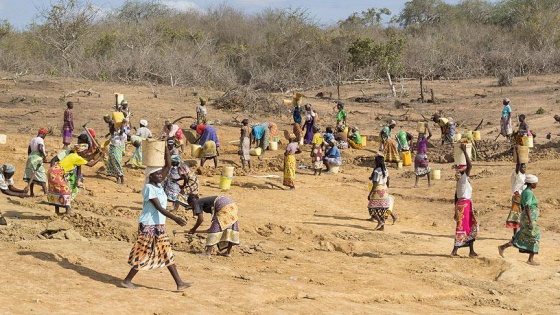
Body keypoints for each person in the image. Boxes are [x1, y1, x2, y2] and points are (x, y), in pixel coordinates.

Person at [121, 146, 192, 290]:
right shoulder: (149, 188)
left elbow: (168, 165)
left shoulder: (158, 185)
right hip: (149, 226)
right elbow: (159, 208)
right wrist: (175, 218)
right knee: (143, 252)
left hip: (158, 225)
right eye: (158, 174)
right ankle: (127, 280)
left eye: (161, 174)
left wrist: (165, 146)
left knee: (166, 252)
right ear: (150, 176)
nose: (161, 176)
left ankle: (179, 283)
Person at [47, 144, 104, 216]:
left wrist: (96, 153)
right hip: (57, 173)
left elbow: (87, 158)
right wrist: (100, 157)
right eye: (85, 152)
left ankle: (57, 212)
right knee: (65, 190)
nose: (86, 154)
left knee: (56, 190)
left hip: (52, 171)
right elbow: (90, 164)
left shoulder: (73, 155)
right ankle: (68, 211)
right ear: (80, 152)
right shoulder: (77, 158)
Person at [498, 174, 540, 266]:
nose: (536, 185)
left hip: (525, 217)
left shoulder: (525, 192)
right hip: (529, 218)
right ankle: (530, 259)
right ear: (532, 184)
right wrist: (530, 221)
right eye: (535, 183)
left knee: (521, 235)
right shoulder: (529, 193)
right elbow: (527, 206)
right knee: (535, 236)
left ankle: (503, 247)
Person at [451, 143, 478, 257]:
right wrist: (465, 151)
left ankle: (471, 251)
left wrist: (455, 209)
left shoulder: (460, 181)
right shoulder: (463, 178)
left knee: (469, 226)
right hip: (464, 206)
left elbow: (455, 196)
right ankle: (454, 251)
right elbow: (470, 165)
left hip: (463, 205)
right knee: (463, 227)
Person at [367, 154, 396, 230]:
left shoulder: (377, 171)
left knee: (371, 207)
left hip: (378, 190)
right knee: (383, 209)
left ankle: (380, 221)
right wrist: (387, 189)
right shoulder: (386, 170)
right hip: (385, 189)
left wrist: (370, 193)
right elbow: (388, 180)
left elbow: (375, 183)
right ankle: (382, 226)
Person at [505, 146, 526, 236]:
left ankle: (520, 234)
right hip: (517, 197)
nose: (524, 169)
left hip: (522, 197)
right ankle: (514, 235)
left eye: (525, 167)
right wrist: (518, 152)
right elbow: (518, 164)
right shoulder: (516, 173)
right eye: (523, 167)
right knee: (515, 216)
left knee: (522, 216)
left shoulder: (524, 175)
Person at [24, 129, 48, 196]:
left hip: (30, 158)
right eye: (45, 135)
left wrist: (31, 157)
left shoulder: (32, 139)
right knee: (42, 175)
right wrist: (44, 156)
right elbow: (40, 148)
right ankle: (46, 193)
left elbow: (29, 150)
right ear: (43, 134)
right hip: (37, 158)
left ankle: (31, 193)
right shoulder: (40, 140)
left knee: (31, 175)